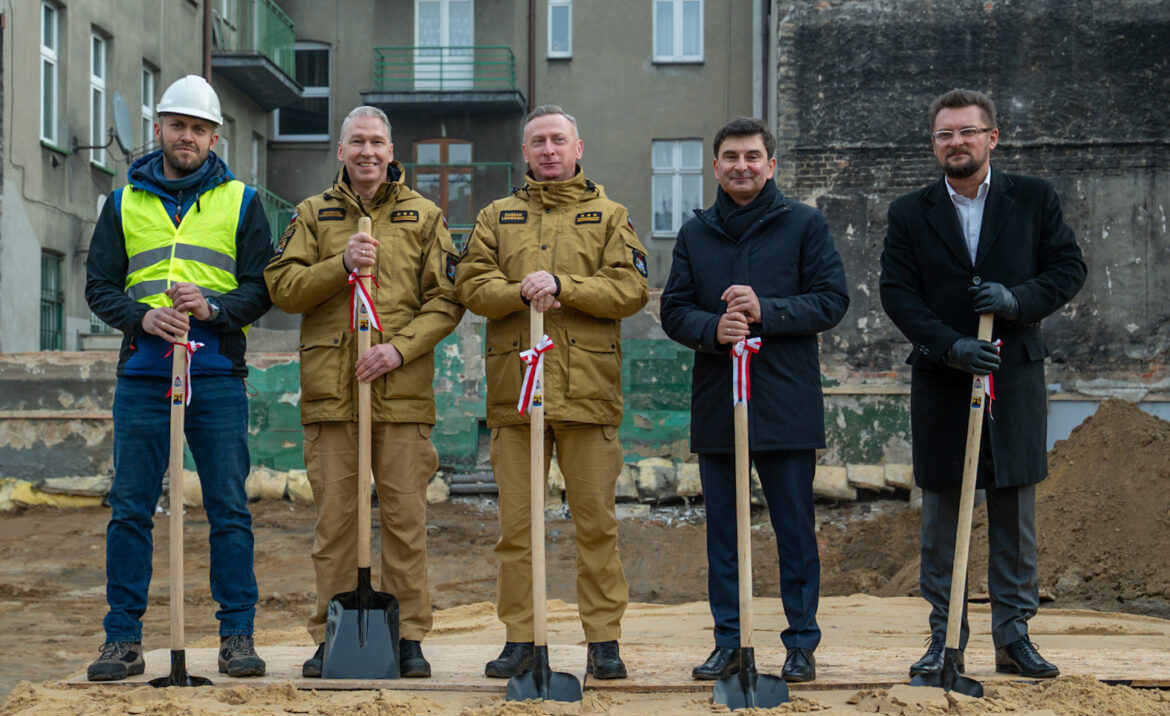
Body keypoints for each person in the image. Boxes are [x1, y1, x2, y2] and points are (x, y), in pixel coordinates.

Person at [880, 88, 1086, 679]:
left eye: (967, 132)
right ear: (934, 144)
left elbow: (1068, 268)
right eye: (945, 134)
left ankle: (1013, 635)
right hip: (944, 382)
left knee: (1014, 506)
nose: (956, 143)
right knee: (942, 510)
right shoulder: (910, 212)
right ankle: (944, 635)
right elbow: (898, 293)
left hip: (1012, 375)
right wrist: (949, 346)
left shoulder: (1034, 200)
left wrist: (1017, 300)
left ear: (991, 138)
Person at [84, 75, 272, 681]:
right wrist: (142, 315)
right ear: (159, 128)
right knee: (131, 509)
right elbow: (98, 288)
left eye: (198, 128)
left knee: (227, 507)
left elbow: (262, 288)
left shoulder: (242, 202)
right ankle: (122, 639)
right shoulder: (120, 204)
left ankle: (237, 635)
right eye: (176, 125)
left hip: (216, 377)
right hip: (142, 377)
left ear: (214, 136)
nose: (186, 136)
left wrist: (212, 307)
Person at [265, 106, 463, 679]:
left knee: (405, 521)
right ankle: (332, 631)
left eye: (377, 142)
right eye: (357, 142)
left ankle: (407, 636)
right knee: (335, 524)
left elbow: (447, 300)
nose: (368, 152)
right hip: (333, 393)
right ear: (341, 150)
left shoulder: (425, 216)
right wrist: (340, 262)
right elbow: (282, 286)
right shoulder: (312, 214)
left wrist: (397, 349)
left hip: (400, 396)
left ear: (391, 148)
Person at [455, 105, 649, 680]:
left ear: (578, 147)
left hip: (587, 394)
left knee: (596, 524)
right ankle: (521, 635)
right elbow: (469, 281)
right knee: (517, 527)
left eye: (558, 140)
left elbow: (631, 287)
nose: (548, 150)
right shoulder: (497, 216)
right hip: (517, 398)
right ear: (525, 152)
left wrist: (565, 285)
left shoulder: (610, 215)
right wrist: (521, 289)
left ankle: (603, 641)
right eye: (537, 141)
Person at [660, 117, 849, 684]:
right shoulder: (695, 235)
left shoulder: (804, 225)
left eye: (752, 156)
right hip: (721, 401)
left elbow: (832, 300)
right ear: (715, 167)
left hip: (786, 401)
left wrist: (768, 309)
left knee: (794, 530)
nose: (741, 166)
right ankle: (730, 641)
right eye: (730, 157)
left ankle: (800, 644)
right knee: (724, 532)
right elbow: (673, 310)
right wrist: (711, 328)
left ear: (771, 165)